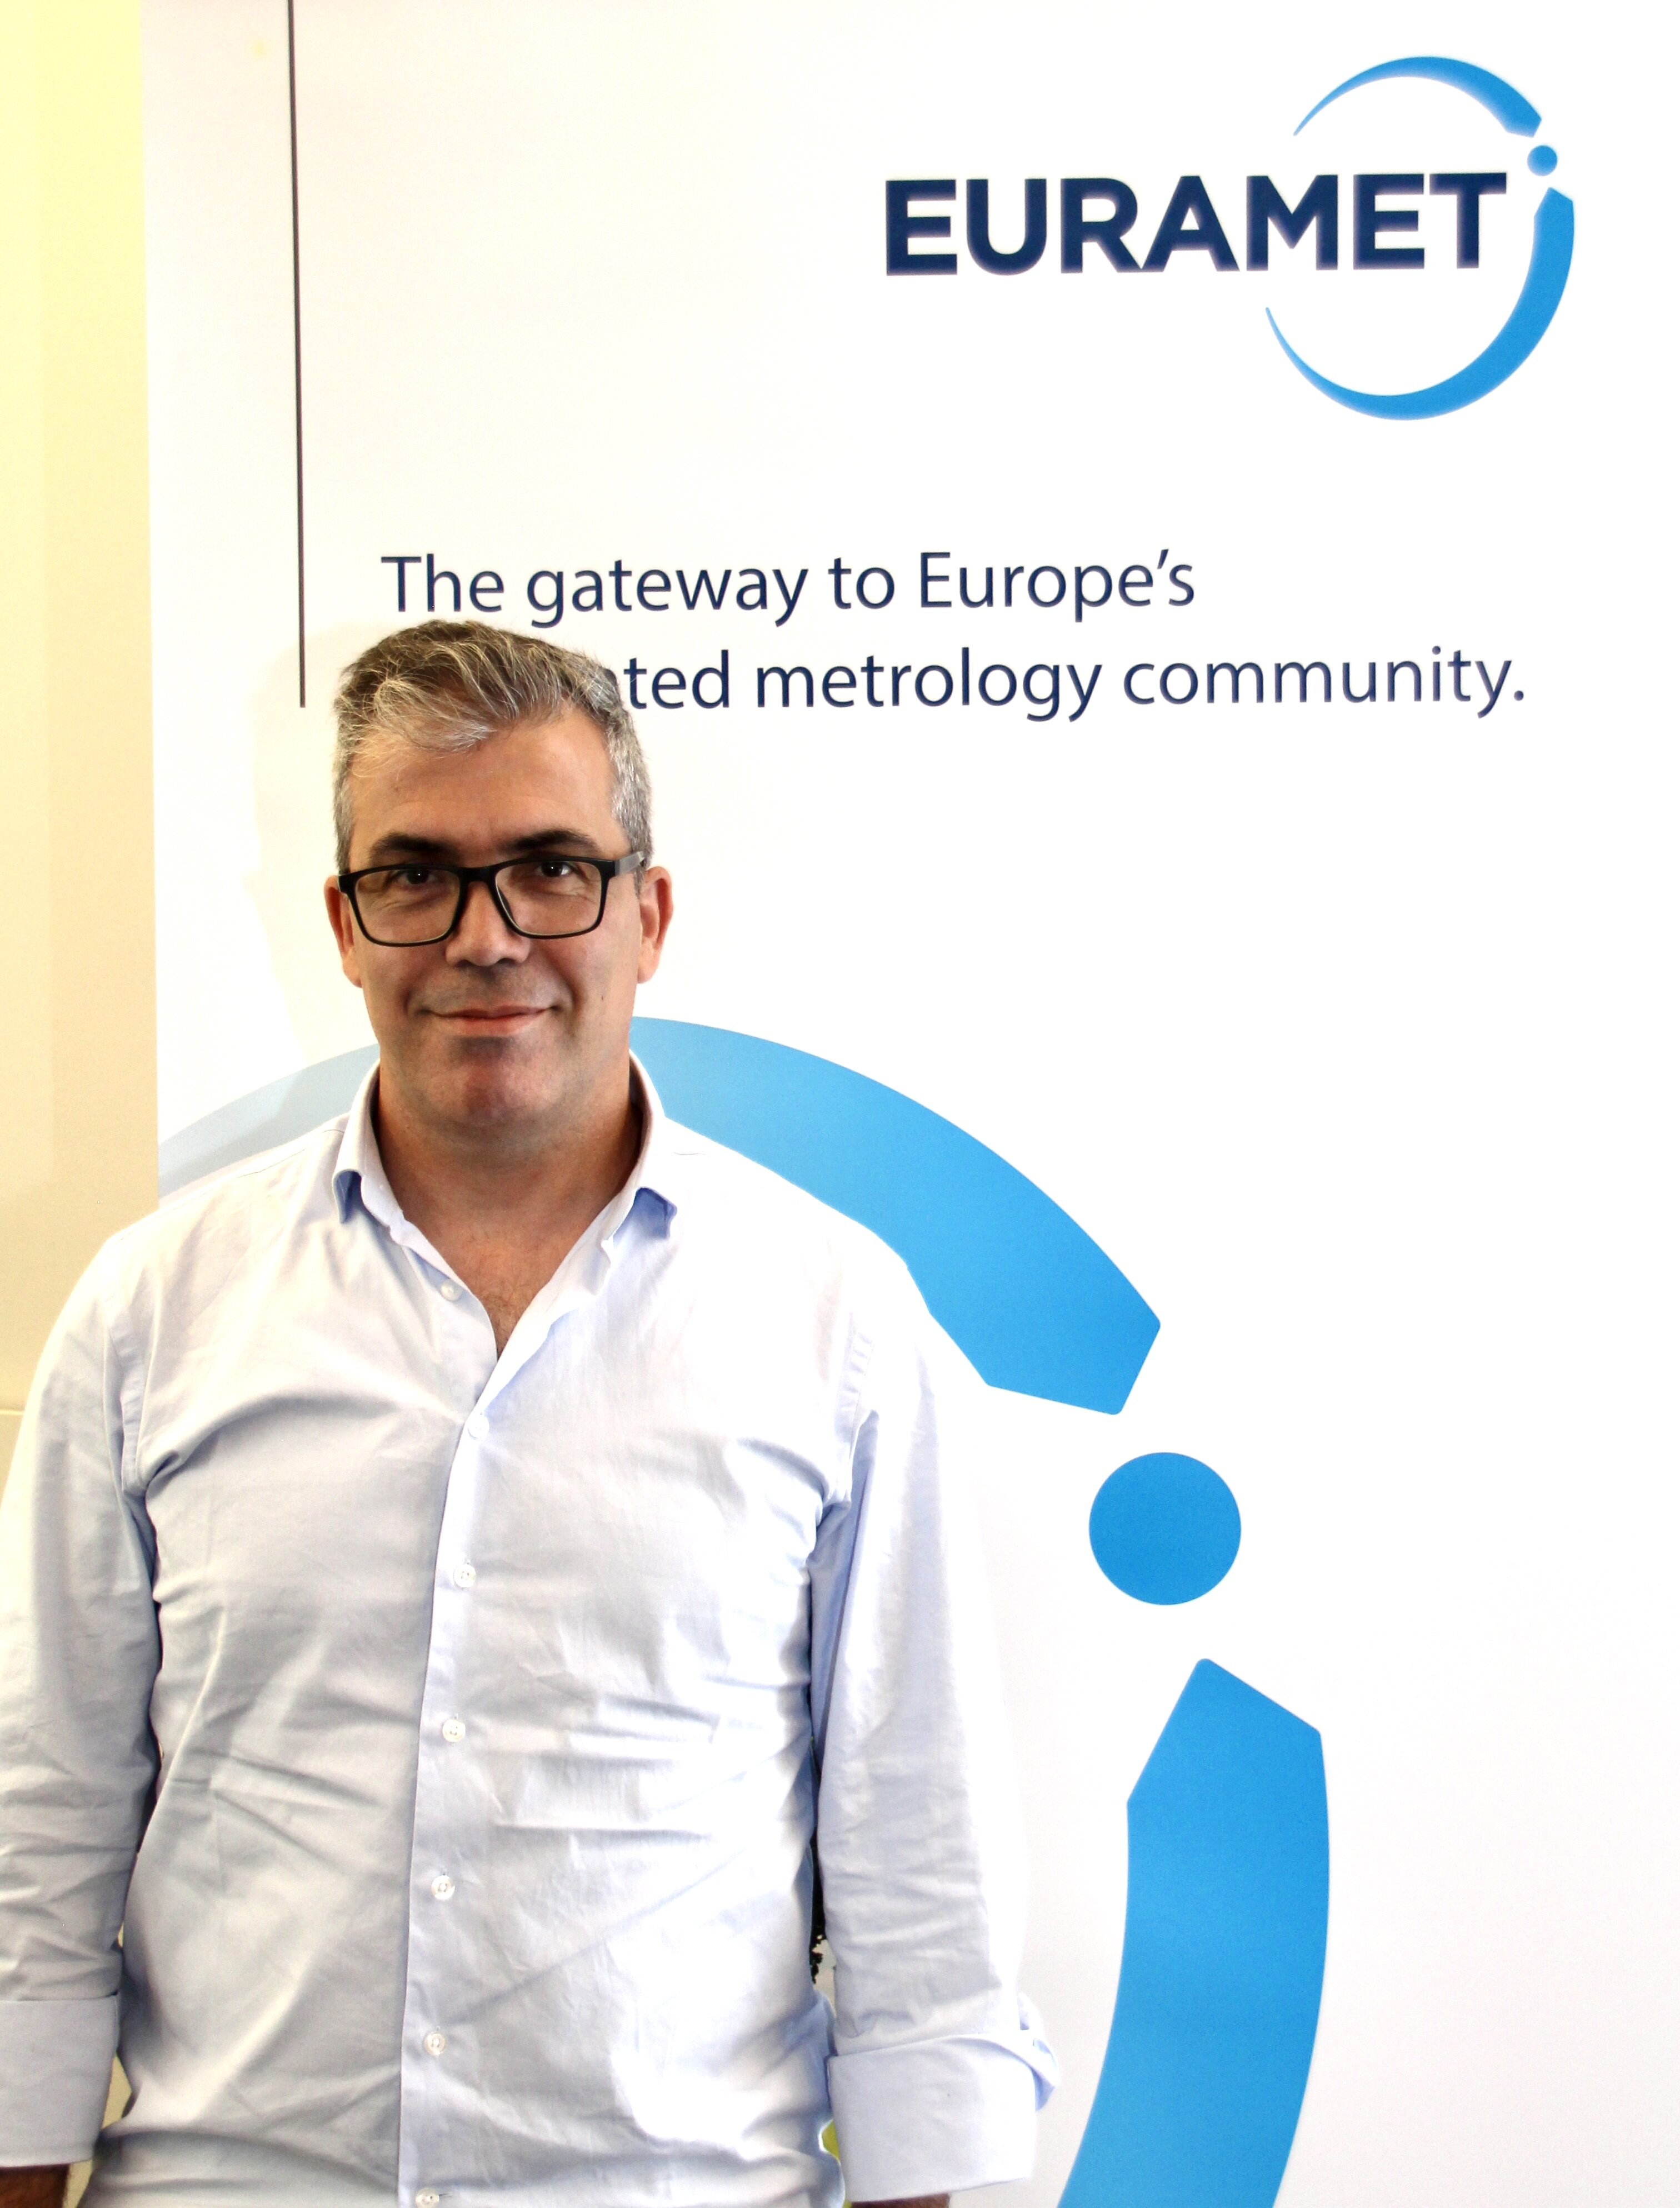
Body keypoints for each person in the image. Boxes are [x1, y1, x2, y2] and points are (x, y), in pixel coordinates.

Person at [0, 622, 1054, 2208]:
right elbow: (42, 1820)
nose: (486, 938)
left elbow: (919, 1848)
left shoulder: (833, 1317)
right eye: (416, 876)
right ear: (345, 926)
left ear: (650, 912)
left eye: (552, 869)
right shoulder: (154, 1310)